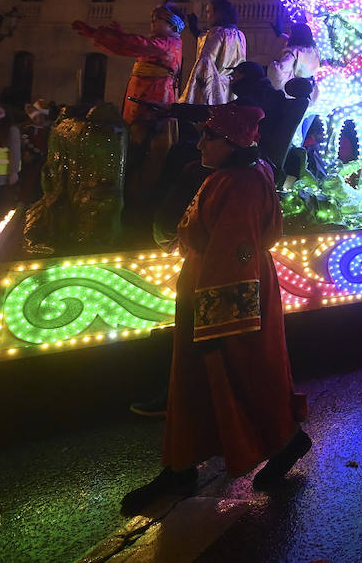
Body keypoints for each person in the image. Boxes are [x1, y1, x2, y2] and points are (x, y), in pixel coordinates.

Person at [120, 104, 309, 514]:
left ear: (233, 143)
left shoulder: (241, 184)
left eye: (210, 137)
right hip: (212, 288)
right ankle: (184, 463)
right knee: (214, 378)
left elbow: (231, 254)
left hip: (222, 294)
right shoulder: (234, 175)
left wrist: (214, 321)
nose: (201, 143)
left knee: (240, 371)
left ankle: (281, 439)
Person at [73, 4, 184, 126]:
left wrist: (98, 34)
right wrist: (119, 36)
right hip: (146, 93)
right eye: (152, 18)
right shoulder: (165, 42)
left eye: (158, 18)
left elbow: (138, 44)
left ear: (172, 24)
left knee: (144, 131)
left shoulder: (167, 43)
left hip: (153, 96)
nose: (153, 22)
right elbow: (133, 45)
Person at [180, 0, 246, 105]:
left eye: (209, 12)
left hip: (215, 89)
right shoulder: (240, 35)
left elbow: (206, 61)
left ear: (218, 13)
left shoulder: (217, 33)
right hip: (232, 89)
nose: (206, 16)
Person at [268, 22, 321, 100]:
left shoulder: (293, 51)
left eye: (291, 33)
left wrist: (273, 64)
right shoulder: (315, 50)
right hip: (309, 89)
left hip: (295, 90)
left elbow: (280, 70)